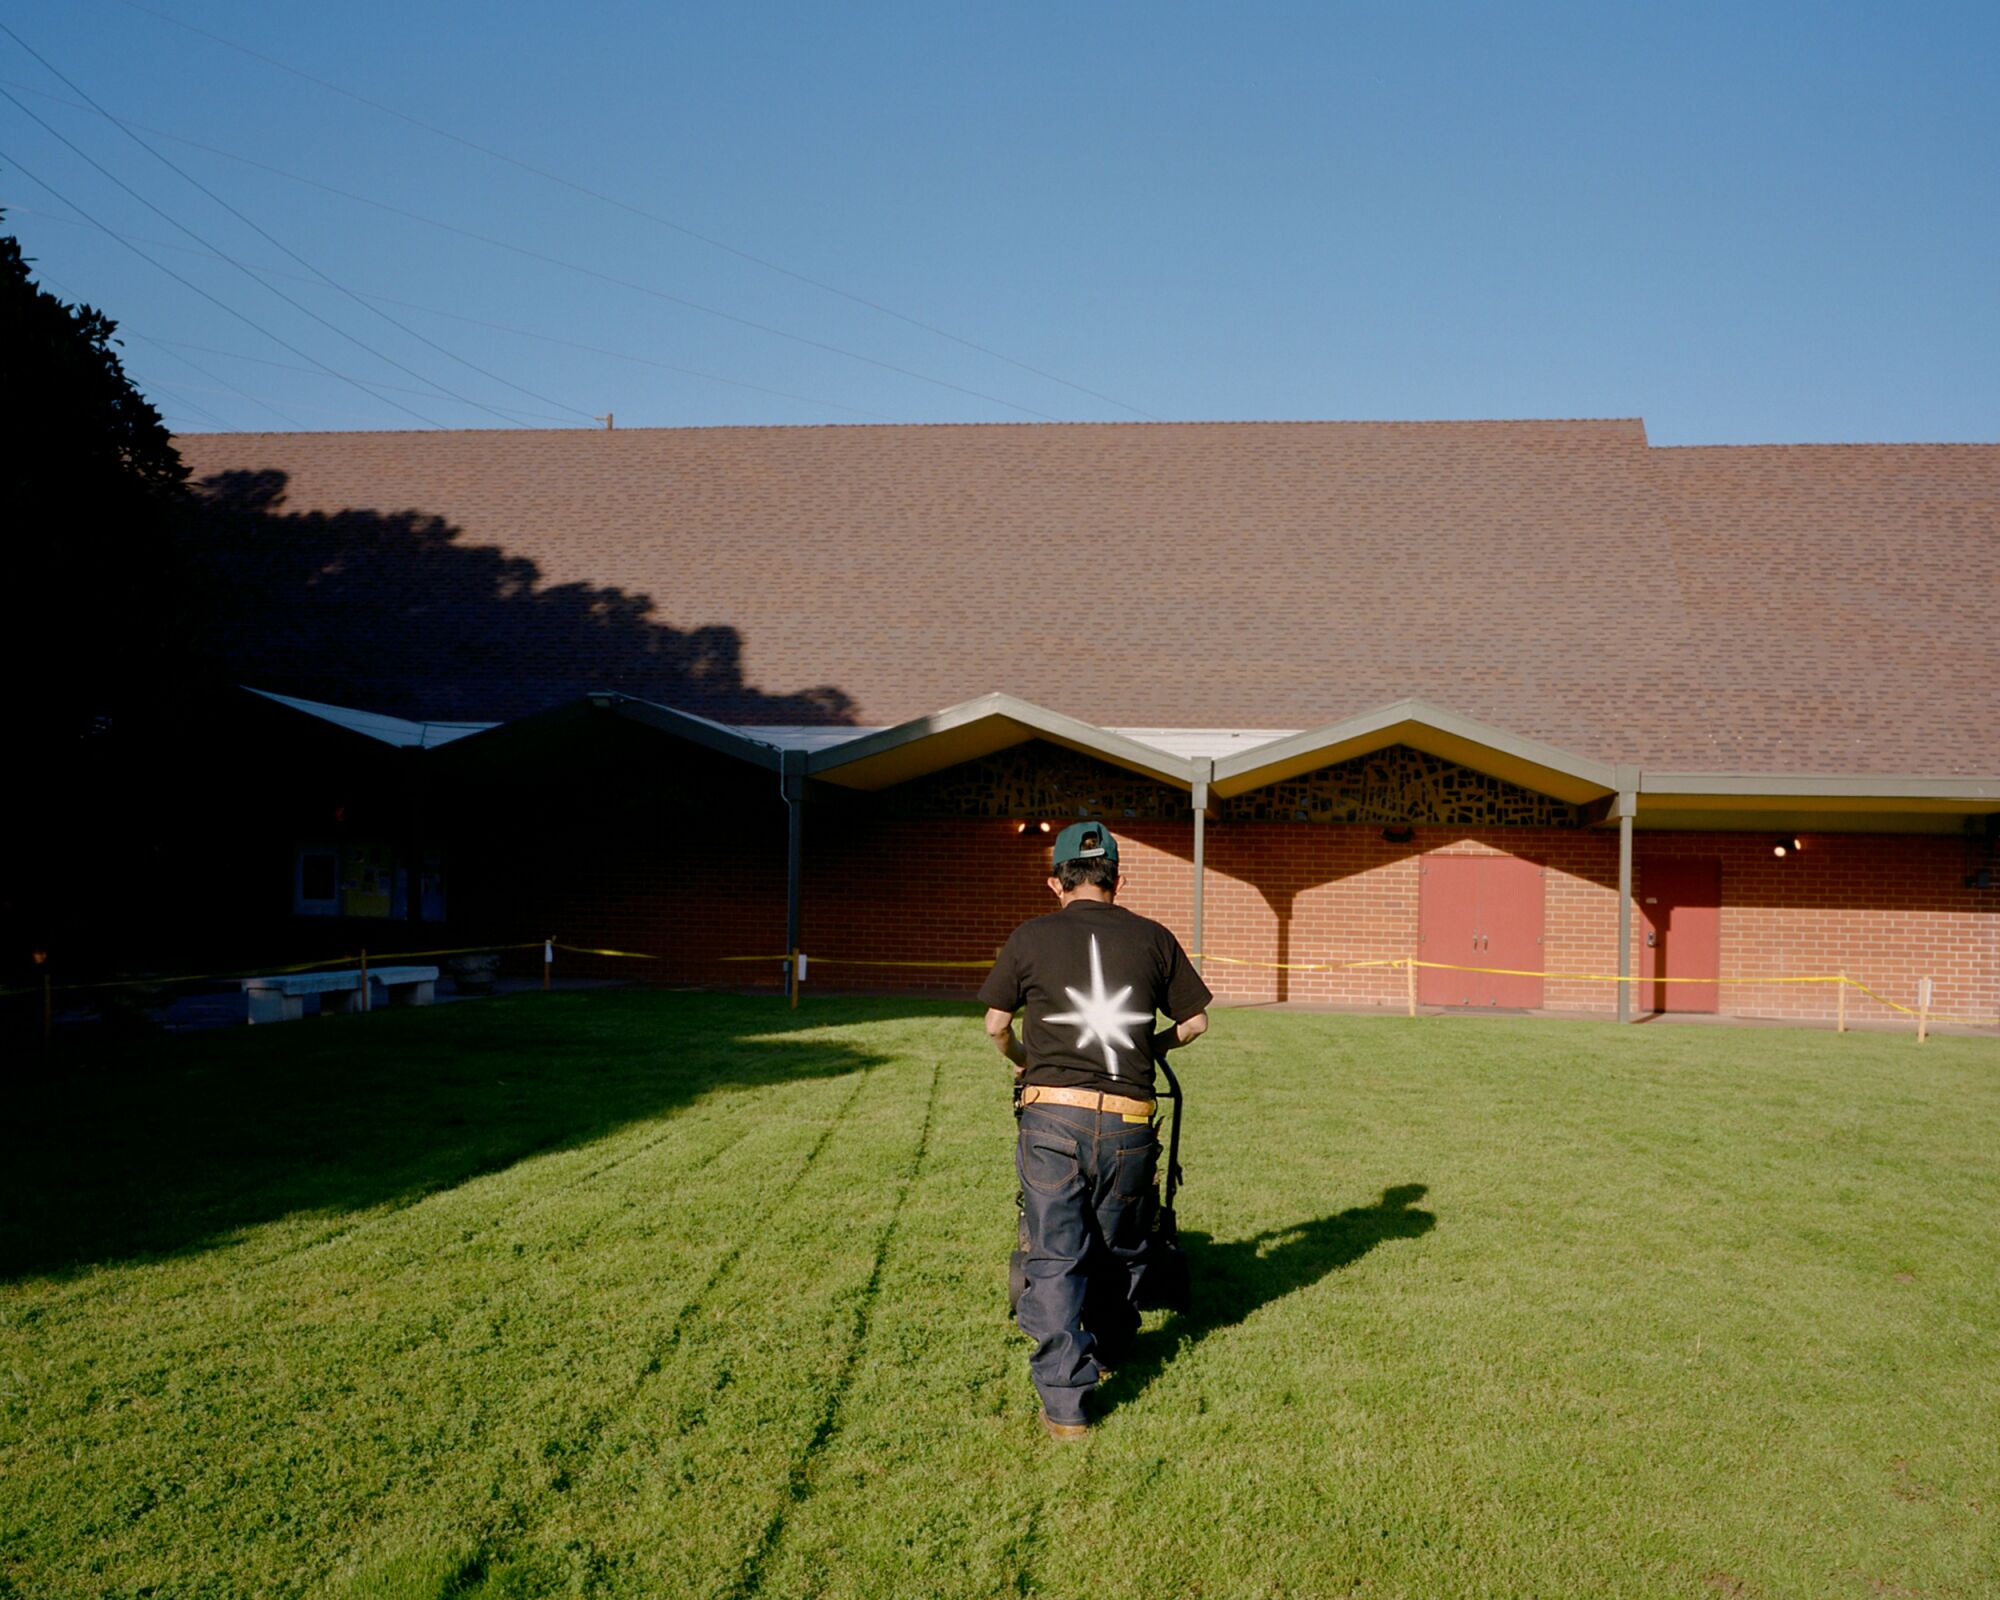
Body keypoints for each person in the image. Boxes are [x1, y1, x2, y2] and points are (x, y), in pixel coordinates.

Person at [978, 821, 1212, 1440]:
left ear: (1056, 881)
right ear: (1118, 880)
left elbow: (995, 1023)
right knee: (1122, 1247)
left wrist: (1024, 1060)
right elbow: (1195, 1024)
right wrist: (1148, 1046)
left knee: (1055, 1255)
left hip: (1052, 1114)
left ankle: (1064, 1406)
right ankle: (1107, 1351)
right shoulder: (1154, 937)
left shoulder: (1031, 936)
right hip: (1130, 1119)